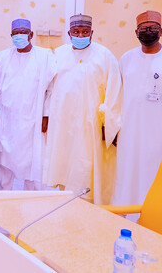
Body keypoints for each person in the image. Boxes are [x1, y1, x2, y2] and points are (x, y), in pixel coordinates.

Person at [42, 14, 122, 204]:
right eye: (76, 32)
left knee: (87, 165)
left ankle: (87, 206)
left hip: (92, 123)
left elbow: (115, 90)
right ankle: (65, 204)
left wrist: (109, 123)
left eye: (85, 32)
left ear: (92, 33)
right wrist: (46, 115)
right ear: (69, 34)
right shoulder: (58, 55)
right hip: (63, 121)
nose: (80, 35)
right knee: (65, 162)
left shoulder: (105, 55)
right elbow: (49, 89)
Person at [113, 10, 162, 205]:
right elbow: (116, 96)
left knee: (153, 176)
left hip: (160, 135)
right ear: (136, 33)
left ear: (161, 30)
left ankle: (151, 220)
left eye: (153, 28)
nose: (148, 31)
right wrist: (114, 129)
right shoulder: (126, 59)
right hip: (129, 132)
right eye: (143, 28)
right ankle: (125, 217)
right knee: (126, 176)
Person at [0, 18, 57, 190]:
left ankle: (31, 199)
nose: (19, 36)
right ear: (11, 35)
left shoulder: (45, 56)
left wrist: (46, 115)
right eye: (16, 33)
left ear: (31, 34)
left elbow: (51, 90)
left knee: (31, 161)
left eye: (23, 32)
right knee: (4, 158)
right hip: (7, 118)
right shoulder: (2, 57)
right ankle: (4, 194)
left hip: (32, 118)